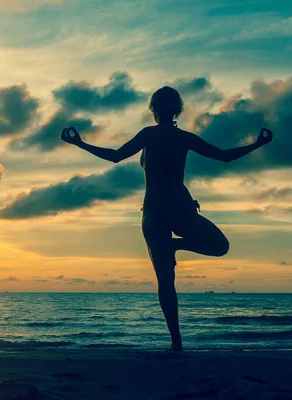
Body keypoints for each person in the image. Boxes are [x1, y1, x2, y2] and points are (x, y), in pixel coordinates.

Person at [60, 86, 273, 351]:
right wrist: (259, 143)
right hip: (180, 207)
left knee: (166, 280)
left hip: (155, 212)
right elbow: (224, 157)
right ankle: (176, 335)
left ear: (153, 109)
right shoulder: (184, 138)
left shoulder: (150, 135)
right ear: (177, 109)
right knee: (219, 247)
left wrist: (80, 143)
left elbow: (115, 156)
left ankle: (176, 343)